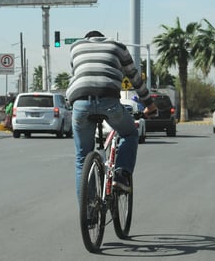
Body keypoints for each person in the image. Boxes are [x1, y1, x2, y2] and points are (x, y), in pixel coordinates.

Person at [66, 30, 157, 201]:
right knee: (130, 133)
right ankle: (121, 175)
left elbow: (78, 74)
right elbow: (135, 79)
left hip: (80, 102)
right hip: (108, 100)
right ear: (103, 38)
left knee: (81, 158)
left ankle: (89, 214)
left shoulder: (75, 47)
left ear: (87, 40)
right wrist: (150, 105)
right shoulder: (117, 47)